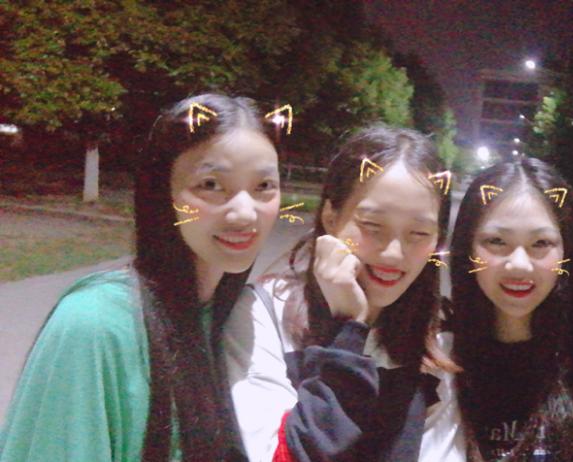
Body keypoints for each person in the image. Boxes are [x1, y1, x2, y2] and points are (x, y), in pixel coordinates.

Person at [0, 94, 283, 461]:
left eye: (264, 186)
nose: (245, 213)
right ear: (162, 193)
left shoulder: (233, 319)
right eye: (211, 185)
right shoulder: (96, 326)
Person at [223, 124, 465, 462]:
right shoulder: (262, 313)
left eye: (419, 233)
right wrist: (349, 328)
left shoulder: (437, 341)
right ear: (331, 216)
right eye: (372, 225)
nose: (394, 253)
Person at [449, 157, 573, 462]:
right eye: (496, 241)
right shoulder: (441, 358)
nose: (519, 265)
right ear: (468, 248)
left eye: (541, 243)